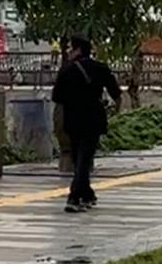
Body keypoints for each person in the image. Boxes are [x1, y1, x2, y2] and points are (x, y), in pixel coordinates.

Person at [52, 35, 121, 213]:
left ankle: (85, 194)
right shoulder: (100, 68)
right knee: (84, 158)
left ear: (78, 50)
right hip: (93, 119)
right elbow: (115, 92)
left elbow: (56, 97)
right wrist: (116, 108)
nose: (67, 51)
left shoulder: (66, 71)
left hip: (72, 120)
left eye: (69, 48)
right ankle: (75, 196)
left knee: (79, 158)